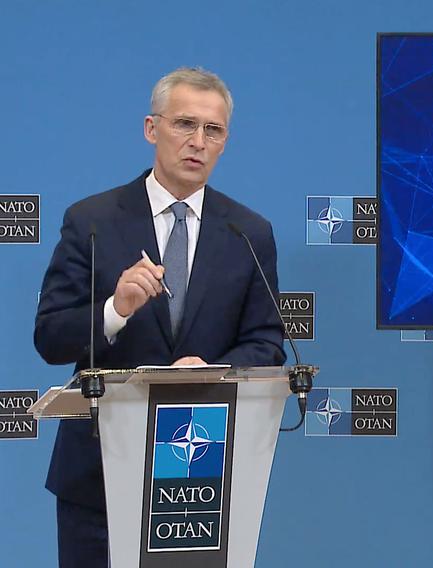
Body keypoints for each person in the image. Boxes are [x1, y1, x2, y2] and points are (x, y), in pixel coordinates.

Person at [33, 67, 286, 568]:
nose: (197, 142)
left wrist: (214, 373)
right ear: (152, 129)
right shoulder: (92, 221)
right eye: (184, 124)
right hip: (99, 475)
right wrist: (115, 310)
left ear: (225, 141)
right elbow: (50, 337)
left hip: (200, 473)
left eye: (212, 131)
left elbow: (267, 343)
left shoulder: (248, 232)